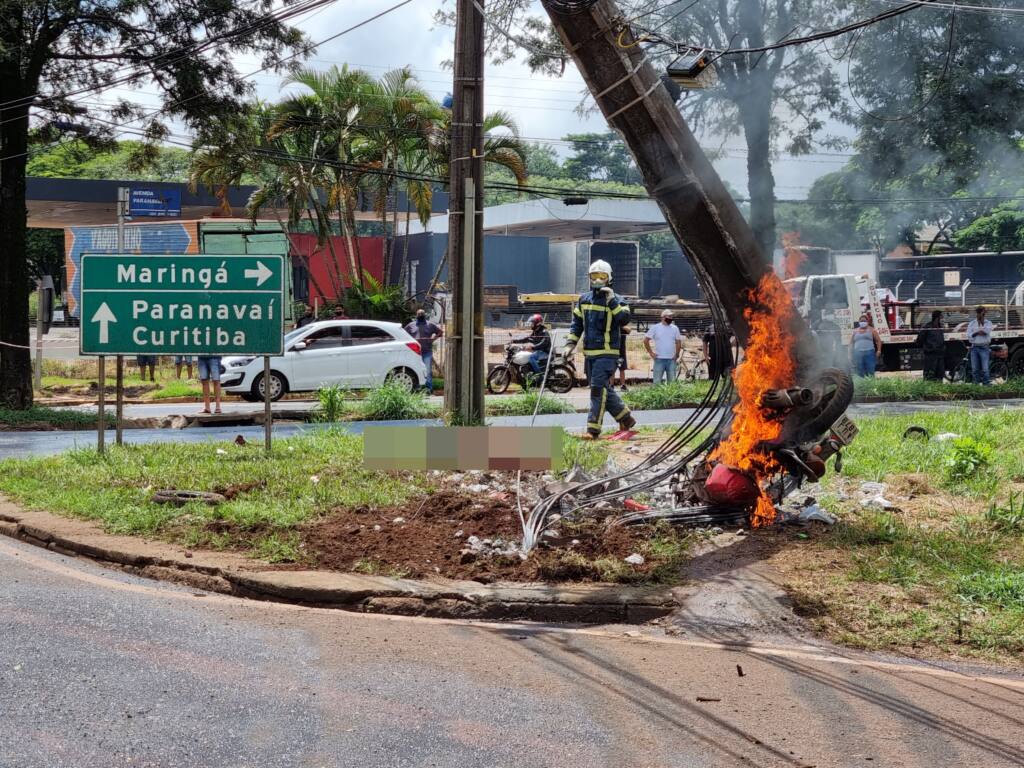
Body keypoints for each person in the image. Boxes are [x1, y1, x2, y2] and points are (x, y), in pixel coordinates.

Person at [563, 259, 636, 440]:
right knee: (602, 389)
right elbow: (577, 324)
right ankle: (626, 419)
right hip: (590, 354)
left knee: (596, 390)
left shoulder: (618, 300)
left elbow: (624, 320)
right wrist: (570, 344)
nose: (597, 280)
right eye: (594, 276)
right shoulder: (584, 299)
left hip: (607, 354)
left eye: (601, 276)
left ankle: (593, 430)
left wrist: (611, 301)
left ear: (609, 278)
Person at [404, 308, 443, 394]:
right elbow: (403, 333)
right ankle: (417, 387)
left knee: (427, 370)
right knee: (414, 369)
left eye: (422, 314)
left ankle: (429, 388)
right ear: (416, 315)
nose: (421, 315)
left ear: (424, 315)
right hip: (414, 353)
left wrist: (433, 339)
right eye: (419, 314)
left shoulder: (430, 325)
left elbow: (440, 332)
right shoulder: (411, 325)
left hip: (426, 352)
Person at [645, 310, 682, 384]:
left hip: (671, 359)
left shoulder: (675, 328)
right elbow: (646, 340)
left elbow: (678, 342)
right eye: (669, 316)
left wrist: (677, 354)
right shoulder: (655, 328)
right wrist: (651, 353)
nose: (671, 318)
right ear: (662, 317)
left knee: (672, 383)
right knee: (657, 382)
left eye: (672, 316)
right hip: (659, 359)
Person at [511, 313, 551, 380]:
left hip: (545, 352)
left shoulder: (544, 331)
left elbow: (544, 343)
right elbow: (527, 339)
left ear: (537, 323)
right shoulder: (536, 331)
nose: (531, 325)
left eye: (532, 323)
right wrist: (514, 341)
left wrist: (533, 347)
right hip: (538, 351)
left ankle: (540, 377)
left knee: (531, 357)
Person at [967, 305, 994, 385]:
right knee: (975, 368)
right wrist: (977, 332)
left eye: (982, 313)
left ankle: (986, 383)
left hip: (984, 347)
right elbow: (969, 335)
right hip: (974, 347)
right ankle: (976, 384)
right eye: (979, 313)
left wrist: (976, 332)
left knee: (985, 368)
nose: (980, 315)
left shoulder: (988, 323)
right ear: (977, 313)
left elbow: (986, 331)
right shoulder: (972, 323)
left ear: (984, 314)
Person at [915, 310, 946, 381]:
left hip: (940, 354)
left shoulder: (940, 327)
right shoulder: (928, 327)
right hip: (930, 355)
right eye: (941, 317)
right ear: (937, 318)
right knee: (929, 374)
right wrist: (928, 347)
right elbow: (920, 339)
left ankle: (938, 388)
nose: (943, 319)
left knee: (940, 374)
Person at [616, 325, 631, 391]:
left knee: (622, 368)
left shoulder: (623, 326)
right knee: (612, 369)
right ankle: (611, 385)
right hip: (612, 351)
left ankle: (623, 385)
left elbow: (629, 330)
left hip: (621, 353)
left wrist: (621, 326)